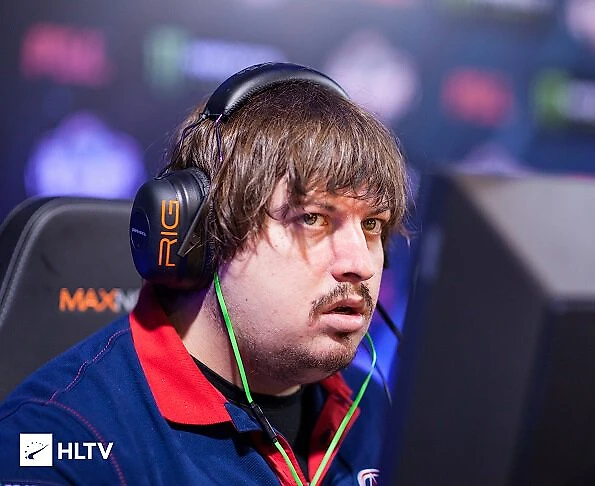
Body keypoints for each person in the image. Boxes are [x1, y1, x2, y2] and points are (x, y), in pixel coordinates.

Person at [0, 63, 409, 485]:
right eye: (312, 218)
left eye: (371, 225)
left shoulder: (382, 412)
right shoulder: (58, 438)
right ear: (206, 234)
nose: (360, 264)